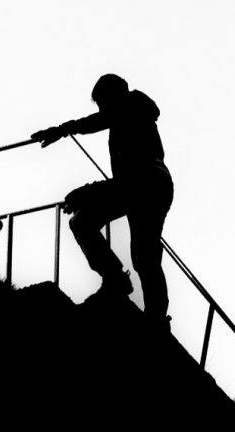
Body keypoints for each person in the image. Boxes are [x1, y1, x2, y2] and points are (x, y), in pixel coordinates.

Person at [30, 74, 174, 331]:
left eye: (102, 103)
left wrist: (63, 131)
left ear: (114, 96)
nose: (102, 109)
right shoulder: (132, 113)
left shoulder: (130, 107)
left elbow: (102, 122)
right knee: (144, 254)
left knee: (86, 223)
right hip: (151, 185)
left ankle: (119, 284)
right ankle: (154, 317)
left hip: (144, 183)